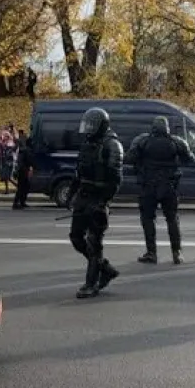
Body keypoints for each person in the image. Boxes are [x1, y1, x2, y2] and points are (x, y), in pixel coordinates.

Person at [67, 108, 123, 298]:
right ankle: (105, 268)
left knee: (94, 243)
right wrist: (71, 195)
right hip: (83, 196)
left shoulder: (112, 145)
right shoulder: (87, 143)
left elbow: (115, 179)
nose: (89, 129)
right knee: (76, 238)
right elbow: (78, 172)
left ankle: (91, 284)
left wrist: (103, 201)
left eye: (92, 125)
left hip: (98, 198)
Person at [127, 116, 193, 264]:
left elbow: (129, 158)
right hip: (169, 186)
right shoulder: (176, 141)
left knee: (148, 220)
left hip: (148, 186)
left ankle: (151, 253)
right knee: (172, 219)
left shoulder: (142, 141)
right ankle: (177, 253)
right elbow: (190, 159)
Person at [11, 130, 35, 210]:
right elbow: (30, 161)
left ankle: (21, 202)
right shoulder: (27, 151)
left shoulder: (24, 150)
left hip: (22, 170)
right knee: (22, 187)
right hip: (23, 171)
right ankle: (17, 203)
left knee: (24, 187)